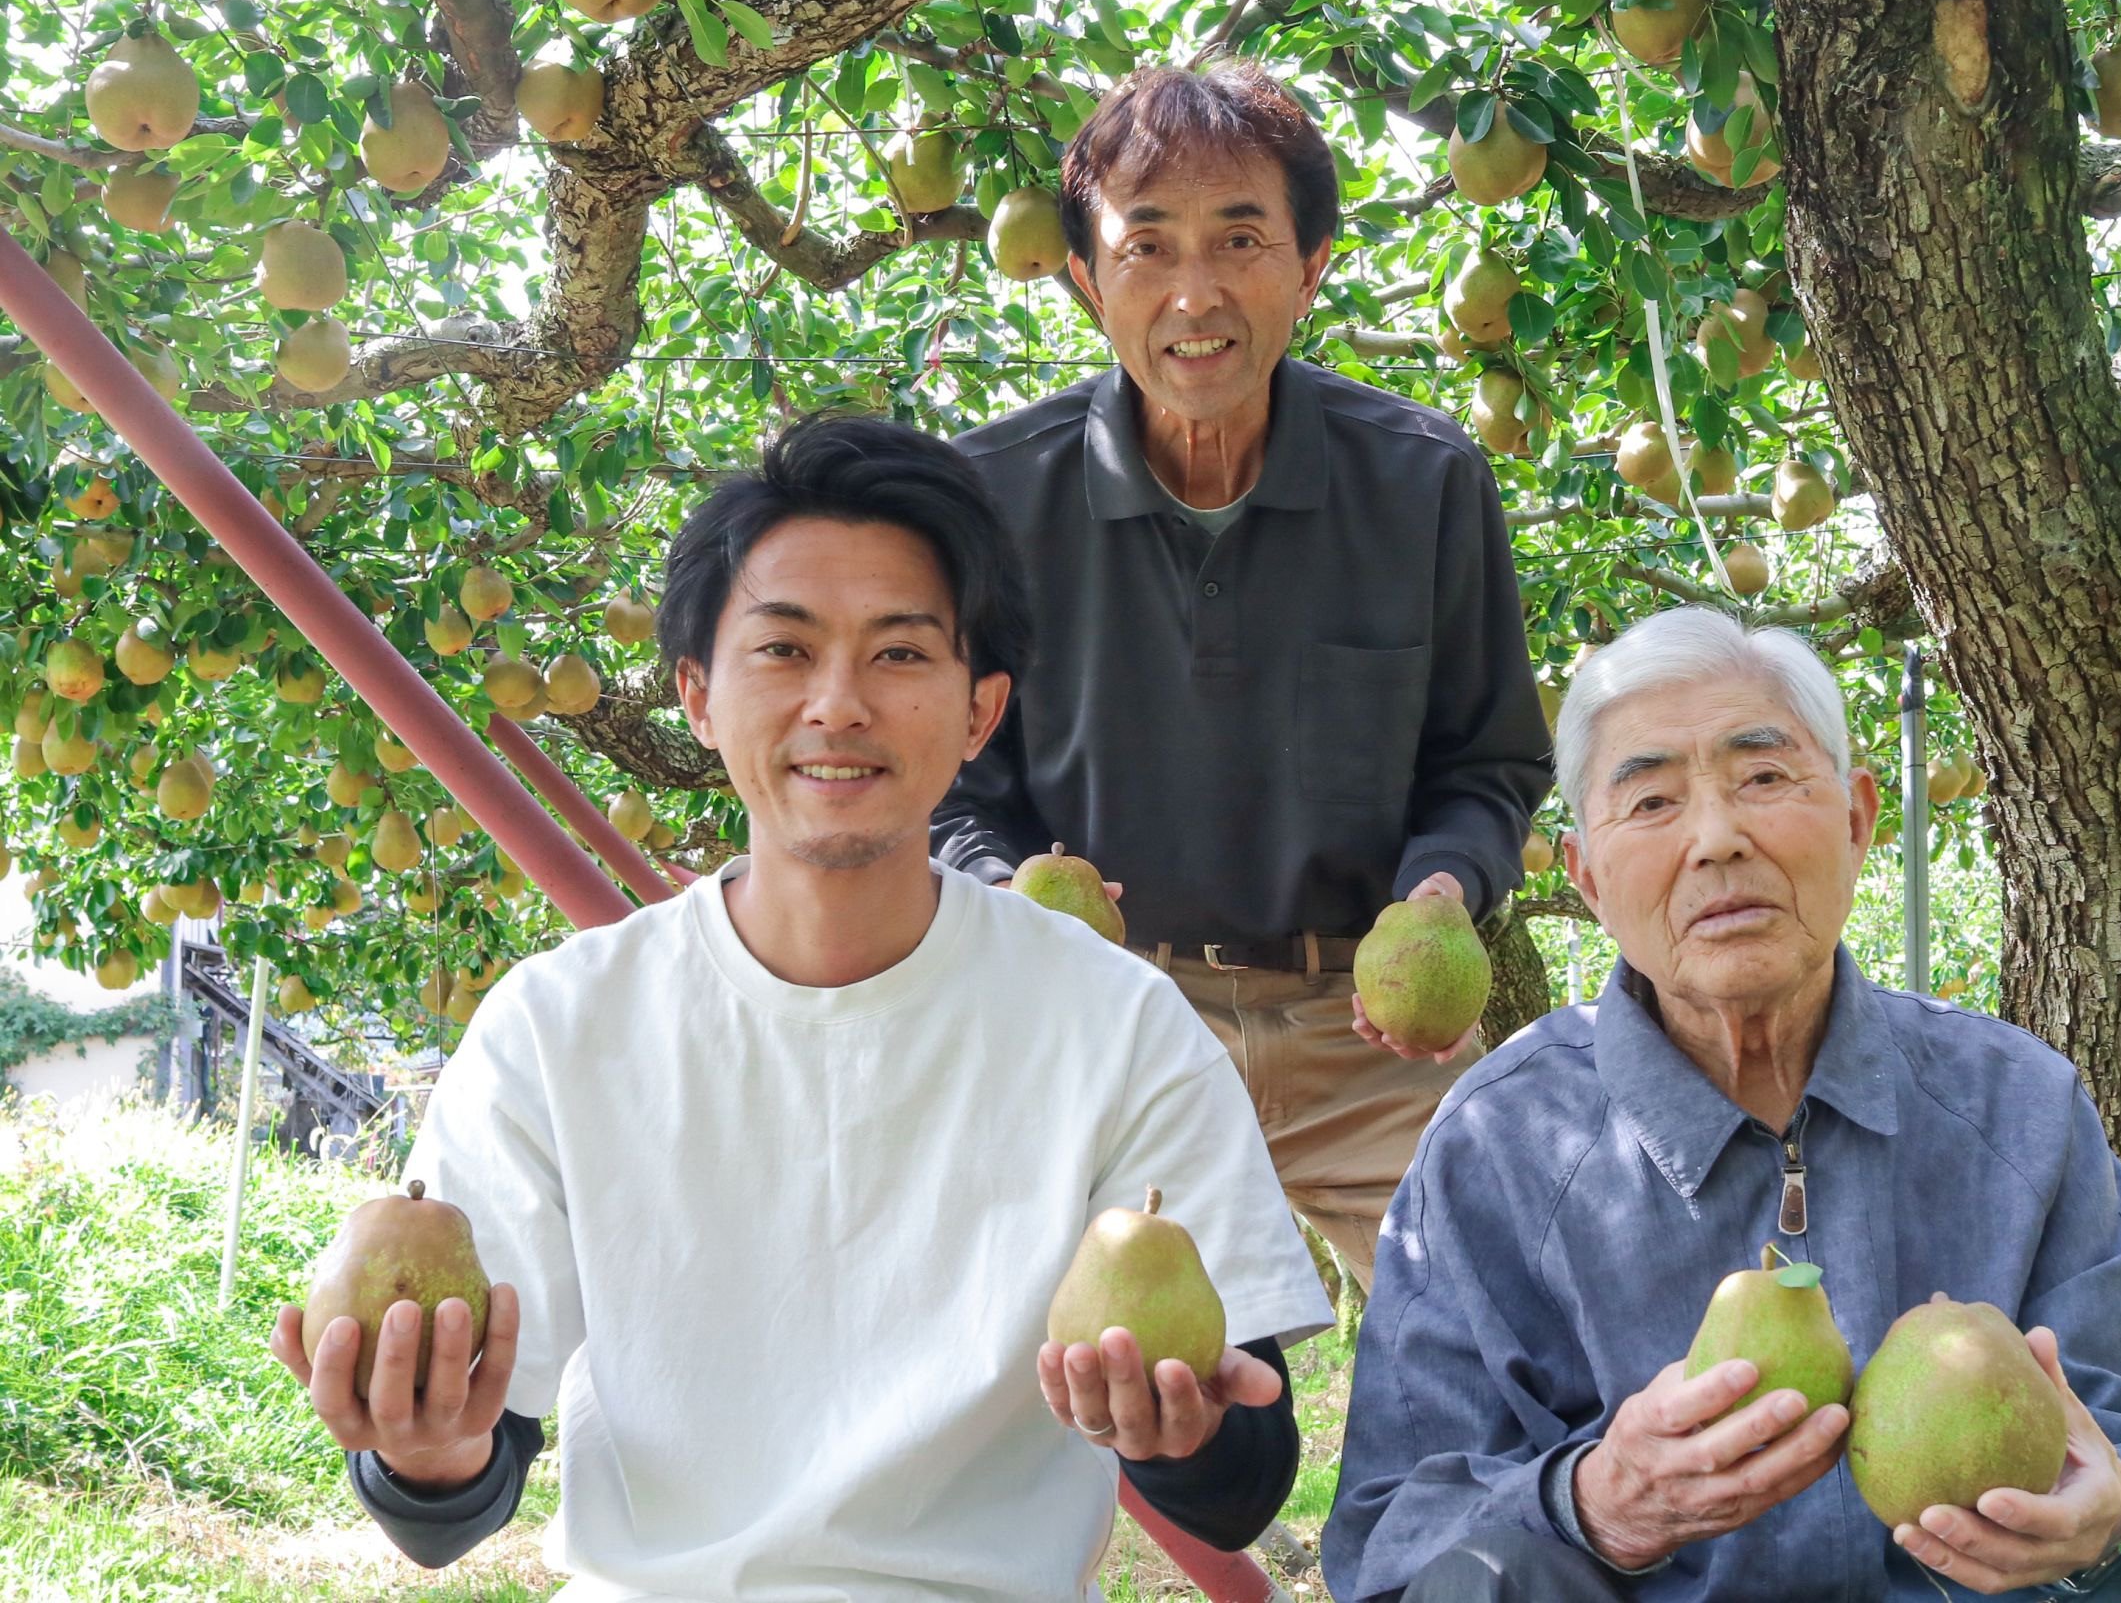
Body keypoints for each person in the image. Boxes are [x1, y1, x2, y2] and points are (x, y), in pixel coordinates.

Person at [268, 417, 1333, 1601]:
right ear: (698, 697)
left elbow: (1248, 1473)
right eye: (783, 650)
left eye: (899, 654)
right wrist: (428, 1451)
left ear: (981, 713)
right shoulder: (559, 1029)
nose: (839, 705)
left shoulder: (1116, 1026)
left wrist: (1173, 1432)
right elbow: (450, 1504)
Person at [1321, 607, 2121, 1601]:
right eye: (1654, 801)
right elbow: (1386, 1525)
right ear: (1586, 878)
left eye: (1762, 777)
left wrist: (2116, 1504)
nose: (1717, 838)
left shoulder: (2014, 1101)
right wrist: (1598, 1503)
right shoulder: (1499, 1142)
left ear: (1857, 819)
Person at [937, 60, 1552, 1294]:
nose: (1194, 291)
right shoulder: (992, 501)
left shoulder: (1424, 483)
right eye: (1147, 246)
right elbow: (950, 792)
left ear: (1312, 266)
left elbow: (1487, 763)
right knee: (1066, 1381)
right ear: (1084, 277)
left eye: (1240, 239)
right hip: (1107, 1022)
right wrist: (1011, 885)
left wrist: (1442, 889)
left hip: (1370, 1034)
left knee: (1510, 1345)